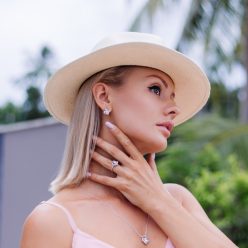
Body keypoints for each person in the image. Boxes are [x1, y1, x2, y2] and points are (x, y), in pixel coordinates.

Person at [20, 32, 237, 248]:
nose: (174, 109)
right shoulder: (52, 221)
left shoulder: (177, 200)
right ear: (104, 96)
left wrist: (158, 203)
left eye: (173, 97)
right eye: (155, 89)